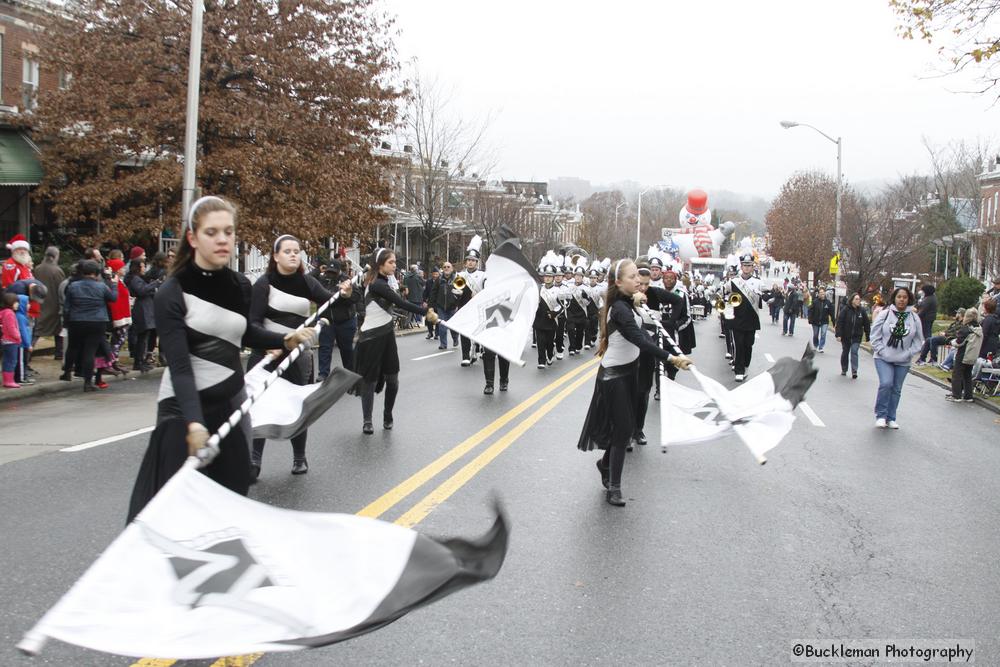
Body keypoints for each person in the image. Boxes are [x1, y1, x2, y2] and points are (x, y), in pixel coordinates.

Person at [127, 196, 315, 522]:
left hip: (231, 401)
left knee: (231, 499)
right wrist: (194, 422)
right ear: (192, 238)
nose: (222, 239)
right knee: (175, 513)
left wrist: (285, 338)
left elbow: (243, 333)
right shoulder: (172, 292)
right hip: (184, 408)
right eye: (212, 232)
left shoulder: (241, 285)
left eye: (228, 231)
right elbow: (180, 366)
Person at [577, 259, 691, 507]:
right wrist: (671, 357)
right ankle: (614, 488)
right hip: (613, 376)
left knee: (625, 428)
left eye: (638, 277)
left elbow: (639, 316)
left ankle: (605, 464)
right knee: (624, 430)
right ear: (618, 282)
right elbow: (640, 339)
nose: (637, 280)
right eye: (631, 277)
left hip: (630, 372)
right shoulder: (619, 308)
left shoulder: (627, 302)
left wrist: (637, 300)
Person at [249, 234, 349, 476]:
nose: (293, 254)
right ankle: (254, 460)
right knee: (259, 405)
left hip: (296, 355)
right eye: (287, 251)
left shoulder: (307, 283)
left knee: (297, 405)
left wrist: (344, 293)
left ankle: (299, 457)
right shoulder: (263, 284)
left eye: (297, 250)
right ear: (275, 256)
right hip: (267, 353)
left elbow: (334, 304)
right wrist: (266, 345)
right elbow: (251, 322)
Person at [354, 248, 437, 434]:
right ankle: (367, 420)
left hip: (387, 336)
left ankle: (387, 414)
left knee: (393, 379)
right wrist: (426, 313)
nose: (394, 265)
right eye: (390, 262)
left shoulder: (384, 282)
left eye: (394, 262)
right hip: (371, 337)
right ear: (380, 264)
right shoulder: (376, 284)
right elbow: (400, 303)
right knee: (369, 380)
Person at [870, 287, 924, 429]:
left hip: (903, 360)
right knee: (886, 383)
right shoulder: (885, 314)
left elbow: (919, 340)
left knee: (896, 389)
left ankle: (891, 417)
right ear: (894, 298)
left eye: (904, 297)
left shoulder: (913, 318)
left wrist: (909, 353)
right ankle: (881, 415)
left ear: (909, 299)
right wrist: (881, 350)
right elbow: (874, 335)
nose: (901, 299)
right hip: (883, 357)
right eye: (899, 297)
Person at [63, 260, 117, 392]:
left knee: (73, 347)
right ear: (97, 273)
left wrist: (67, 320)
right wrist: (114, 284)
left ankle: (67, 372)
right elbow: (113, 298)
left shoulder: (73, 286)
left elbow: (67, 306)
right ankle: (88, 382)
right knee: (90, 351)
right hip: (97, 321)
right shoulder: (101, 287)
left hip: (76, 320)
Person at [311, 257, 361, 379]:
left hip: (345, 321)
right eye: (329, 271)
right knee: (325, 348)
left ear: (339, 271)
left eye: (334, 272)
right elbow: (307, 282)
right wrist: (317, 271)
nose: (331, 274)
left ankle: (350, 375)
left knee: (346, 349)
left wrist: (346, 296)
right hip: (326, 321)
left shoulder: (347, 281)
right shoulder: (321, 280)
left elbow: (356, 296)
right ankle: (323, 375)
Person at [727, 253, 762, 382]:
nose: (747, 268)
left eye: (749, 265)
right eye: (744, 265)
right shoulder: (733, 282)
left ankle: (746, 365)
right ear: (741, 266)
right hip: (737, 319)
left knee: (748, 345)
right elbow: (726, 298)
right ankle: (739, 370)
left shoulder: (758, 282)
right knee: (739, 345)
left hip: (751, 319)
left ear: (753, 267)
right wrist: (727, 316)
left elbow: (764, 298)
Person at [126, 258, 161, 373]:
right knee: (142, 337)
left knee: (144, 338)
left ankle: (141, 360)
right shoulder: (135, 279)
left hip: (146, 308)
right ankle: (138, 361)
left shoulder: (139, 279)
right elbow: (141, 291)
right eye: (143, 266)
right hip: (142, 309)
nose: (144, 268)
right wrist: (155, 283)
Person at [454, 237, 485, 366]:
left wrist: (478, 295)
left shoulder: (483, 275)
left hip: (478, 308)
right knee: (465, 331)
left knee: (477, 332)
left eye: (473, 260)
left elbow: (486, 292)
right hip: (465, 307)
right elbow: (457, 290)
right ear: (465, 262)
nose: (471, 263)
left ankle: (477, 348)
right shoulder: (460, 275)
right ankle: (465, 356)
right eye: (469, 260)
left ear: (477, 262)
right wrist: (458, 294)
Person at [33, 246, 65, 360]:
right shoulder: (57, 270)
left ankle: (29, 351)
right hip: (54, 304)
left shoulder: (37, 268)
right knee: (58, 330)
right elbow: (61, 288)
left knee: (37, 329)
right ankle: (59, 352)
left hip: (40, 302)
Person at [946, 308, 981, 403]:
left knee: (957, 375)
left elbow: (959, 342)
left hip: (963, 355)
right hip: (972, 356)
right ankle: (968, 396)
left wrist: (951, 341)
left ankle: (956, 395)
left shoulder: (966, 329)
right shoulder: (979, 328)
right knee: (967, 376)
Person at [835, 292, 870, 378]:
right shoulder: (846, 310)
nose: (858, 301)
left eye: (859, 299)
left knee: (854, 352)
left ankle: (854, 371)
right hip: (846, 336)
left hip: (856, 337)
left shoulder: (862, 311)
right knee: (845, 352)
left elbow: (866, 324)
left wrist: (867, 336)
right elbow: (840, 322)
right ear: (852, 300)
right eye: (856, 299)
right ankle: (844, 369)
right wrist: (838, 334)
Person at [534, 264, 561, 368]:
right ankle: (541, 361)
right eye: (546, 276)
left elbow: (563, 305)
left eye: (550, 276)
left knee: (549, 342)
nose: (547, 278)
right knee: (540, 342)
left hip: (551, 321)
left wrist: (555, 313)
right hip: (539, 320)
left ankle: (550, 354)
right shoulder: (538, 289)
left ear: (553, 277)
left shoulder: (558, 290)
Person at [430, 261, 460, 350]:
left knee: (453, 326)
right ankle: (443, 344)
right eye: (444, 267)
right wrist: (431, 306)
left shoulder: (457, 279)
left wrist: (458, 304)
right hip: (441, 307)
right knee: (442, 326)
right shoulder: (438, 280)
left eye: (448, 267)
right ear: (442, 269)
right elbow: (433, 293)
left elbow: (461, 293)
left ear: (452, 269)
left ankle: (455, 339)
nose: (446, 268)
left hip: (453, 307)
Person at [1, 292, 21, 388]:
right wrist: (18, 336)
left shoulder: (4, 312)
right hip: (11, 341)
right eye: (16, 302)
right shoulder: (10, 313)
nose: (18, 304)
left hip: (5, 340)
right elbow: (11, 328)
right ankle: (9, 380)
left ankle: (7, 379)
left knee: (7, 360)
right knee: (11, 361)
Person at [808, 286, 835, 353]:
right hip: (815, 321)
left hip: (824, 321)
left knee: (823, 333)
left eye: (823, 293)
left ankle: (821, 346)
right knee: (815, 334)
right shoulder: (815, 302)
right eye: (820, 293)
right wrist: (810, 319)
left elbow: (831, 313)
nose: (822, 294)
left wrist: (834, 322)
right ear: (818, 294)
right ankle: (816, 345)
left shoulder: (828, 303)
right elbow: (810, 310)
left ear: (825, 294)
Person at [423, 267, 440, 340]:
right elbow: (426, 291)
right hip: (430, 303)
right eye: (434, 274)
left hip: (439, 303)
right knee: (429, 319)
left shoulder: (441, 281)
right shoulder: (428, 282)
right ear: (432, 274)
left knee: (437, 319)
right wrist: (424, 301)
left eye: (436, 274)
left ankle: (437, 334)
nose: (435, 276)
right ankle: (430, 333)